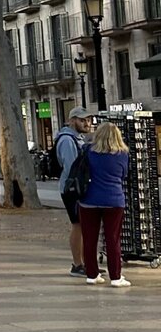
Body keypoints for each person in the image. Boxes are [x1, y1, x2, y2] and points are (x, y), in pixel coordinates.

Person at [79, 120, 131, 286]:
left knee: (89, 239)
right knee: (113, 239)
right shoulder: (122, 153)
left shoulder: (88, 151)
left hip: (89, 199)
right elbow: (124, 175)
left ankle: (92, 274)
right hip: (113, 199)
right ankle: (115, 276)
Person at [55, 107, 92, 276]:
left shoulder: (76, 138)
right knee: (78, 225)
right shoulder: (67, 140)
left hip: (75, 187)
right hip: (72, 189)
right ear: (72, 121)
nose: (87, 123)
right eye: (82, 120)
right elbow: (72, 167)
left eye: (88, 120)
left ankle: (84, 263)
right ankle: (78, 264)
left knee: (82, 225)